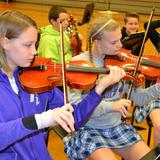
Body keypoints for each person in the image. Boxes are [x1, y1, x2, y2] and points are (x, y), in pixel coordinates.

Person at [0, 10, 126, 159]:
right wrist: (42, 119)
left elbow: (75, 118)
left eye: (35, 44)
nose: (35, 51)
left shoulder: (37, 79)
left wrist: (99, 90)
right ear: (5, 42)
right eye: (28, 45)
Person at [63, 14, 160, 160]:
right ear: (97, 42)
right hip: (88, 128)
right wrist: (112, 106)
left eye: (119, 40)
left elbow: (139, 98)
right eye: (114, 42)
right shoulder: (79, 64)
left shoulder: (122, 61)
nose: (120, 46)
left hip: (115, 125)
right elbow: (77, 108)